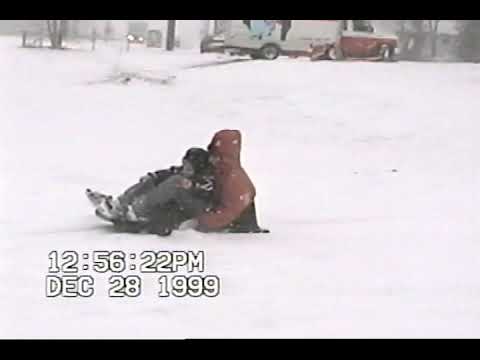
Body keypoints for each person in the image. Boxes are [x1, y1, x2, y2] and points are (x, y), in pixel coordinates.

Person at [87, 147, 215, 236]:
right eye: (184, 163)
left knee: (176, 180)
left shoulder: (207, 177)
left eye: (189, 166)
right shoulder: (182, 171)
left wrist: (192, 185)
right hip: (181, 203)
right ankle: (120, 204)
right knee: (153, 180)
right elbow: (169, 172)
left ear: (198, 166)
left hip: (196, 208)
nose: (185, 168)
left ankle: (137, 211)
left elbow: (207, 188)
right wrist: (153, 176)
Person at [194, 130, 269, 234]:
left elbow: (228, 213)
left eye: (215, 156)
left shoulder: (234, 180)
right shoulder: (221, 172)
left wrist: (200, 221)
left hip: (237, 232)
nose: (211, 159)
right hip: (225, 221)